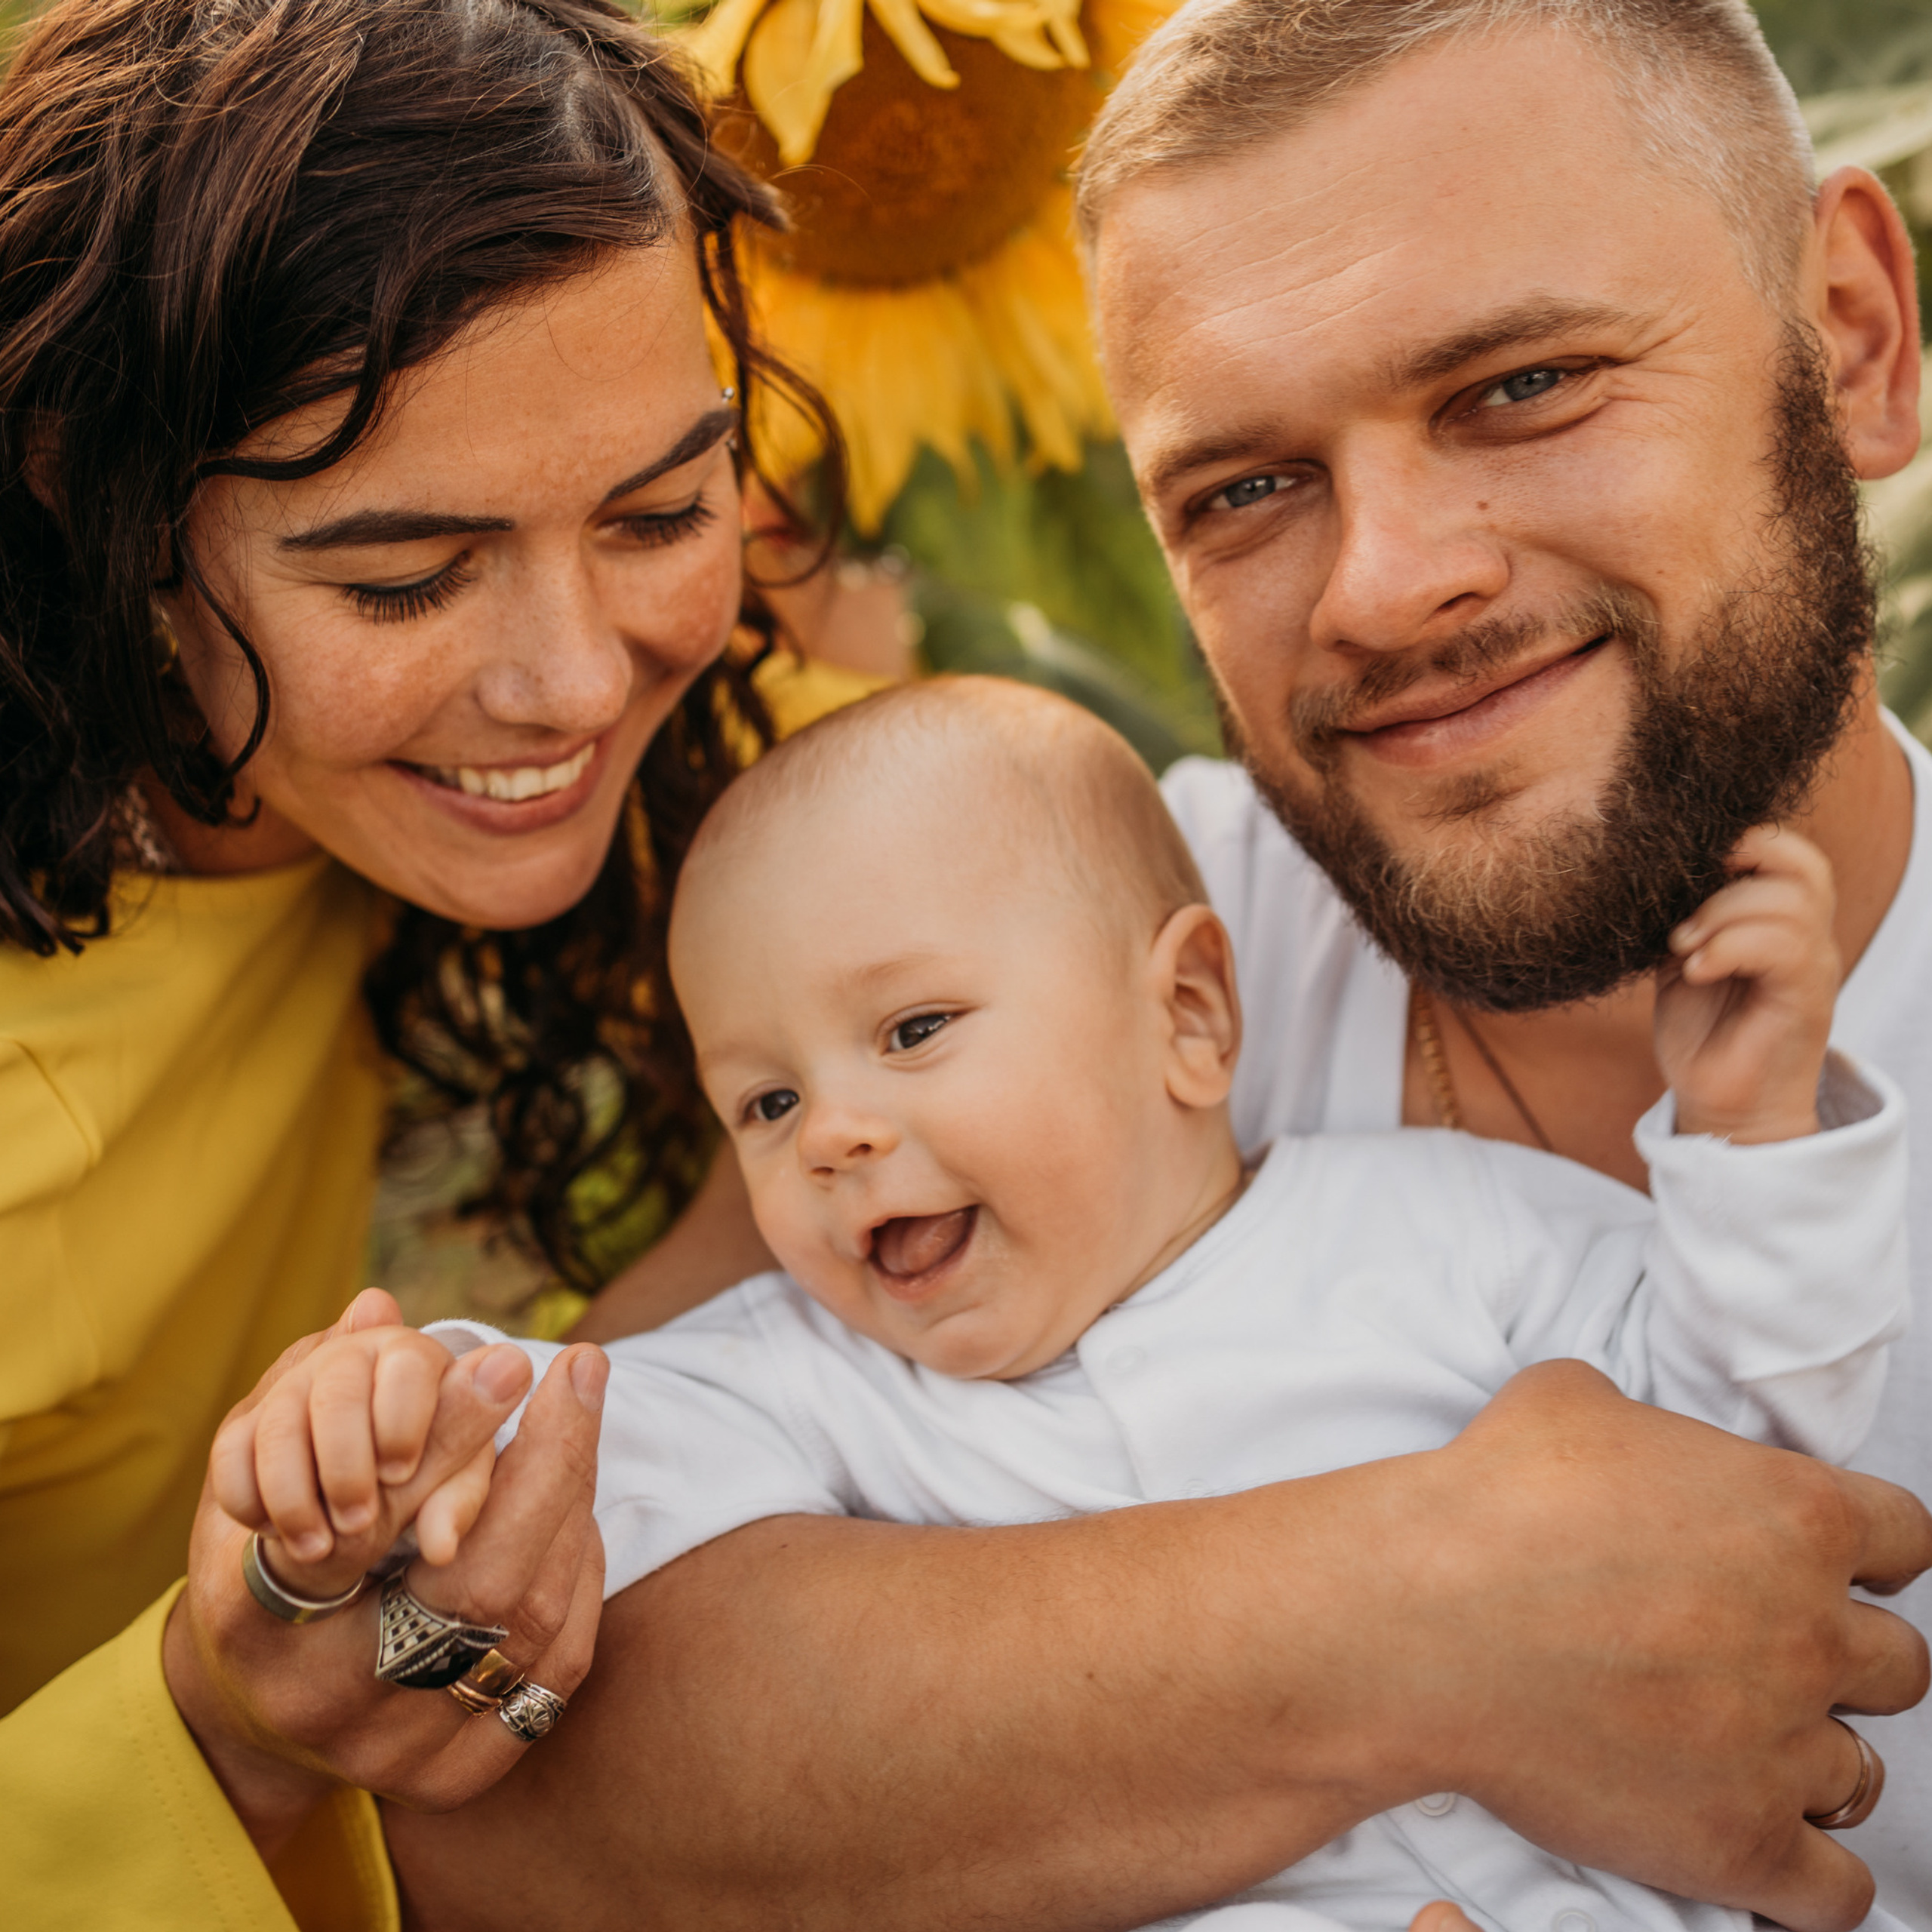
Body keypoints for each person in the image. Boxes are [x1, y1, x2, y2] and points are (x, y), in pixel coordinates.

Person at [384, 4, 1932, 1931]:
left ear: (1851, 341)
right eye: (1243, 490)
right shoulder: (1050, 921)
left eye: (1522, 384)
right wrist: (1425, 1610)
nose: (1382, 581)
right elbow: (483, 1775)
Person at [365, 674, 1903, 1932]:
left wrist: (1744, 1133)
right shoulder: (809, 1373)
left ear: (1183, 1013)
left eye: (909, 1027)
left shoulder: (1438, 1222)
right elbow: (579, 1460)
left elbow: (1745, 1463)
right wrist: (408, 1415)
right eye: (763, 1101)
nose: (828, 1131)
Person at [0, 1, 868, 1926]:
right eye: (401, 578)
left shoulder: (692, 752)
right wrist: (226, 1725)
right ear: (94, 494)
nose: (574, 681)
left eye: (657, 511)